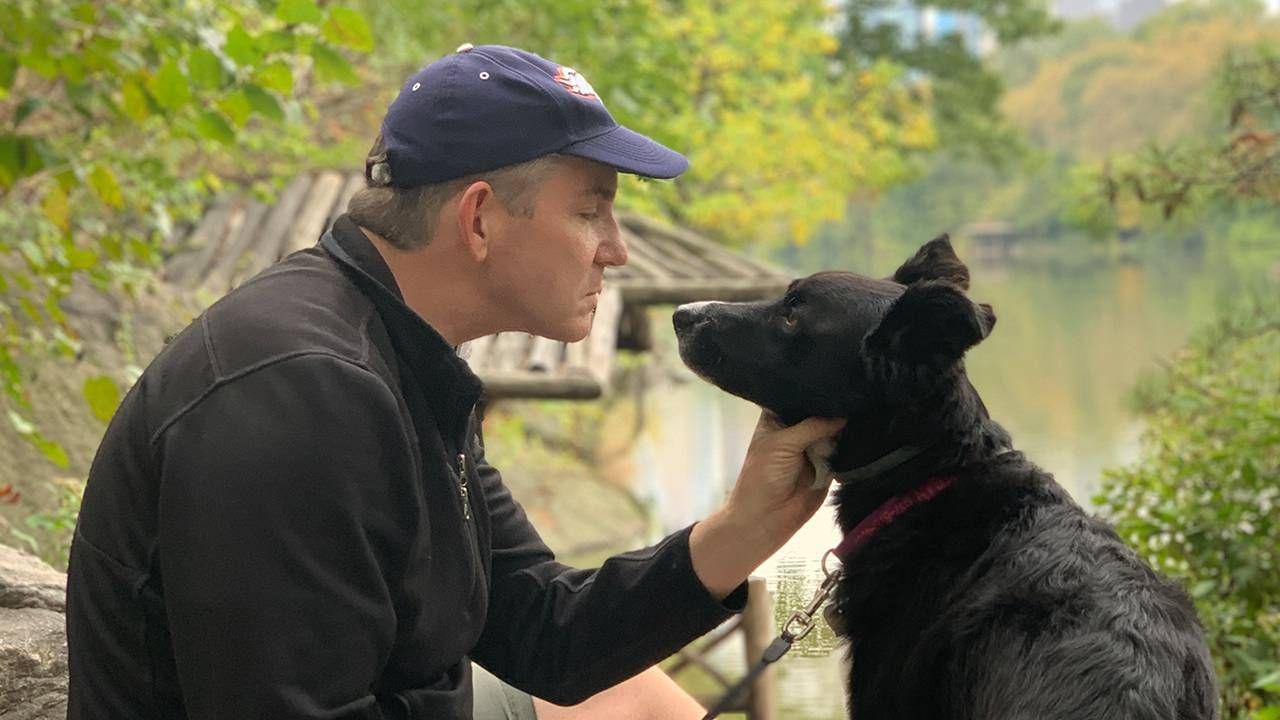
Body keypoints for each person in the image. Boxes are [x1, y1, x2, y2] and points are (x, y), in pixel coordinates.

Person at [64, 44, 845, 719]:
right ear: (478, 219)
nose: (616, 250)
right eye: (591, 213)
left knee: (637, 700)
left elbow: (543, 629)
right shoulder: (298, 396)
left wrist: (751, 522)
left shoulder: (411, 358)